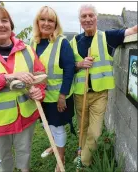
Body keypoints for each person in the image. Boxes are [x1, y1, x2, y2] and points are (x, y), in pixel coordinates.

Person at [0, 2, 46, 172]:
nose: (0, 24)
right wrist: (8, 77)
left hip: (25, 116)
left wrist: (38, 90)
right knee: (3, 158)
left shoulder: (26, 49)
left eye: (5, 20)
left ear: (10, 24)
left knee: (24, 152)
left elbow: (40, 75)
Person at [70, 4, 137, 167]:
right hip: (80, 93)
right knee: (83, 128)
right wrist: (79, 64)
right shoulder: (73, 41)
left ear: (96, 18)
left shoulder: (107, 37)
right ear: (80, 20)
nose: (87, 19)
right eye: (84, 16)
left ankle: (83, 162)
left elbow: (132, 31)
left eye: (90, 15)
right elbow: (67, 66)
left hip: (99, 94)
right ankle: (84, 153)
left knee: (95, 131)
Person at [30, 6, 75, 172]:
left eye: (51, 20)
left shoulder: (61, 42)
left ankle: (60, 157)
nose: (47, 23)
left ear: (56, 24)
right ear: (37, 22)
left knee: (57, 127)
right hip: (40, 96)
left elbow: (69, 70)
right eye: (43, 19)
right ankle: (54, 147)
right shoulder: (33, 43)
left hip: (57, 97)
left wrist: (62, 96)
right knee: (47, 125)